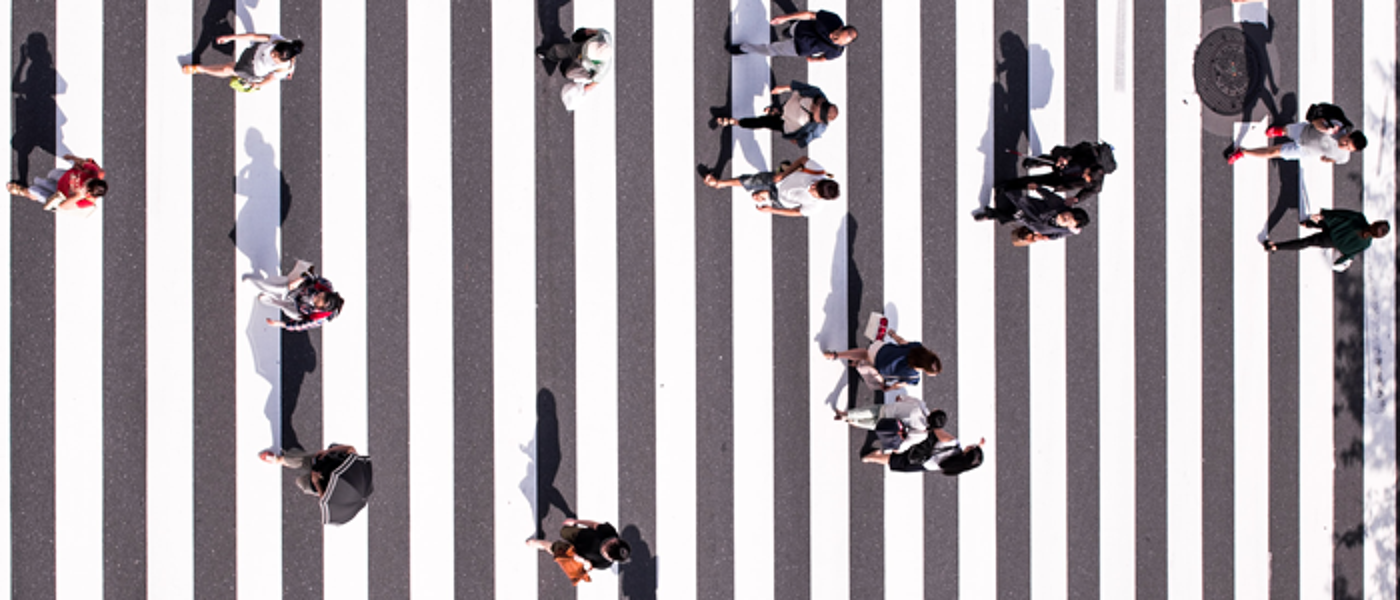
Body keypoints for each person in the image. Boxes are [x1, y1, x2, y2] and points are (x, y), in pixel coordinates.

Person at [1227, 103, 1367, 165]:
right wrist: (1326, 130)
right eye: (1346, 143)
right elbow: (1316, 122)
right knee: (1285, 130)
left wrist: (1326, 159)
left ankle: (1243, 152)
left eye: (1349, 149)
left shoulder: (1344, 157)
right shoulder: (1337, 125)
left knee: (1274, 152)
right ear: (1348, 135)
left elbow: (1335, 159)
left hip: (1304, 151)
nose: (1344, 146)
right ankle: (1279, 131)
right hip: (1303, 132)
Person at [702, 156, 840, 218]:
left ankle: (766, 195)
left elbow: (796, 212)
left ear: (821, 197)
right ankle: (720, 184)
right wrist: (783, 175)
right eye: (815, 184)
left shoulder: (815, 207)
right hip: (779, 180)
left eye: (814, 190)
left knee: (761, 195)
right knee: (752, 180)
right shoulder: (818, 172)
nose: (812, 186)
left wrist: (772, 210)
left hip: (781, 200)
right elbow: (802, 160)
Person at [716, 81, 837, 148]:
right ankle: (776, 111)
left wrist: (796, 140)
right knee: (782, 108)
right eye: (817, 107)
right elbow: (801, 87)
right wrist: (783, 89)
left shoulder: (817, 129)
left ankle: (736, 122)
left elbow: (804, 141)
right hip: (790, 106)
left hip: (786, 124)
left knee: (763, 122)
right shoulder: (817, 95)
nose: (815, 108)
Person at [1262, 209, 1390, 272]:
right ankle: (1275, 247)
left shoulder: (1359, 218)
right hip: (1329, 241)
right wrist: (1340, 261)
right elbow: (1349, 253)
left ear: (1374, 223)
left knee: (1322, 223)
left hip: (1331, 227)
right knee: (1306, 242)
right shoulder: (1365, 244)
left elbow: (1340, 214)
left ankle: (1307, 223)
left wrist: (1324, 215)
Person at [822, 327, 941, 392]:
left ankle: (836, 355)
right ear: (926, 370)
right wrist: (888, 388)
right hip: (880, 366)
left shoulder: (917, 347)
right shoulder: (913, 377)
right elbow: (898, 384)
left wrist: (893, 335)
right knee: (877, 374)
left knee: (866, 353)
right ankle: (858, 364)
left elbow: (902, 341)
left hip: (881, 349)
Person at [247, 259, 344, 331]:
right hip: (299, 287)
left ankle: (271, 300)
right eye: (321, 295)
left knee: (284, 305)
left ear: (320, 308)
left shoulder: (318, 319)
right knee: (278, 287)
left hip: (298, 307)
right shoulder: (326, 285)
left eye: (318, 301)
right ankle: (255, 283)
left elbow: (300, 325)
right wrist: (299, 281)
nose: (317, 296)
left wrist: (280, 324)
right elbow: (313, 276)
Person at [527, 518, 631, 586]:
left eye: (607, 547)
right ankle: (545, 544)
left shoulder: (604, 563)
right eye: (612, 541)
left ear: (610, 557)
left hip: (575, 553)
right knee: (564, 531)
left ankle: (540, 544)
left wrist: (583, 561)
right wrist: (576, 522)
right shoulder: (610, 532)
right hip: (579, 535)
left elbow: (590, 565)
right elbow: (594, 525)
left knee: (556, 549)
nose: (607, 541)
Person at [1002, 141, 1112, 205]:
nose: (1083, 175)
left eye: (1085, 178)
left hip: (1064, 180)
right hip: (1069, 164)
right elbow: (1080, 147)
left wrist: (1076, 199)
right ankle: (1036, 161)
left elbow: (1087, 193)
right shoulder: (1090, 154)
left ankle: (1009, 185)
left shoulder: (1096, 186)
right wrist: (1066, 158)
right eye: (1085, 173)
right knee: (1051, 161)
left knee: (1037, 180)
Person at [182, 33, 303, 91]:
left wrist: (258, 85)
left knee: (228, 69)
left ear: (284, 60)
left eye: (275, 57)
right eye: (274, 51)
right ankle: (200, 69)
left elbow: (271, 78)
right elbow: (254, 37)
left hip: (253, 70)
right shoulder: (278, 41)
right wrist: (230, 38)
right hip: (251, 54)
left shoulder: (284, 68)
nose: (272, 54)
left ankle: (200, 69)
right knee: (229, 68)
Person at [862, 420, 986, 476]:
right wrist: (978, 447)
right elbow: (968, 458)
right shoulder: (956, 466)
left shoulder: (953, 443)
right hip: (922, 463)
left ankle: (876, 447)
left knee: (901, 446)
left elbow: (938, 430)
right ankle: (871, 458)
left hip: (922, 450)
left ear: (968, 451)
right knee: (894, 460)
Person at [974, 187, 1091, 246]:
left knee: (1012, 216)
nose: (1067, 220)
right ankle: (993, 210)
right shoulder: (1058, 205)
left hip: (1032, 224)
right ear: (1070, 211)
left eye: (1070, 223)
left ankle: (991, 214)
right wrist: (1037, 188)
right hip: (1030, 209)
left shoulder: (1067, 231)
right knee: (1013, 209)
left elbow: (1057, 235)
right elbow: (1048, 195)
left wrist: (1043, 238)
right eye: (1069, 217)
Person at [732, 9, 857, 62]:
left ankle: (744, 48)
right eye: (836, 34)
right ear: (840, 27)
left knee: (772, 50)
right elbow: (810, 15)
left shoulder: (836, 51)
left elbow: (825, 57)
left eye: (837, 40)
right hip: (800, 28)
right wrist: (785, 18)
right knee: (789, 31)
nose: (833, 37)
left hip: (799, 47)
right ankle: (788, 32)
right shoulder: (833, 20)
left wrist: (814, 60)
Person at [834, 393, 934, 454]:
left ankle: (847, 414)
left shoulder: (920, 405)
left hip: (886, 410)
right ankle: (853, 421)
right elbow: (906, 443)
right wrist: (898, 449)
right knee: (873, 425)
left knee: (869, 411)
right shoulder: (922, 433)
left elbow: (899, 397)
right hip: (889, 426)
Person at [540, 28, 612, 110]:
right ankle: (550, 55)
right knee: (565, 50)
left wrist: (581, 90)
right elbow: (591, 31)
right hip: (582, 47)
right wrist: (583, 33)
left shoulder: (602, 70)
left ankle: (568, 67)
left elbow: (592, 85)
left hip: (584, 67)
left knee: (569, 74)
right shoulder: (605, 36)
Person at [7, 152, 106, 212]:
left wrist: (77, 196)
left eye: (86, 186)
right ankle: (30, 192)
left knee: (35, 191)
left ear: (89, 193)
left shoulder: (87, 201)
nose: (84, 183)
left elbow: (64, 206)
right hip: (62, 177)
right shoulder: (93, 172)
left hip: (59, 194)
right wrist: (72, 158)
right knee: (50, 174)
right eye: (88, 181)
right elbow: (82, 163)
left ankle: (22, 191)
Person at [259, 444, 358, 498]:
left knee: (301, 481)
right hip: (324, 463)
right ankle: (280, 460)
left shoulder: (345, 495)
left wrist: (316, 482)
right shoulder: (355, 468)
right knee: (303, 459)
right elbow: (350, 449)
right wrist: (328, 452)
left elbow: (324, 498)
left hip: (318, 483)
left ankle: (283, 460)